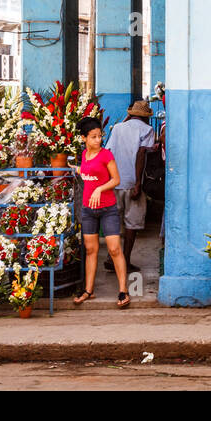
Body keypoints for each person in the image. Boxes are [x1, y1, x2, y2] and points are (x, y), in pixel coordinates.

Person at [73, 116, 131, 309]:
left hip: (108, 209)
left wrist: (100, 189)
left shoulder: (106, 155)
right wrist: (76, 169)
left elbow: (116, 179)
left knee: (114, 249)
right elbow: (87, 173)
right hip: (88, 210)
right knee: (91, 250)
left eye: (100, 136)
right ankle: (88, 290)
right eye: (93, 137)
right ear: (84, 138)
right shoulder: (84, 155)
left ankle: (123, 290)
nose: (98, 140)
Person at [103, 100, 157, 273]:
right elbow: (141, 154)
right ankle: (124, 260)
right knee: (131, 224)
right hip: (132, 183)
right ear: (146, 116)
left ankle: (112, 257)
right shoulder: (147, 130)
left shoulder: (118, 128)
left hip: (115, 181)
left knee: (114, 222)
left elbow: (108, 152)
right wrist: (138, 183)